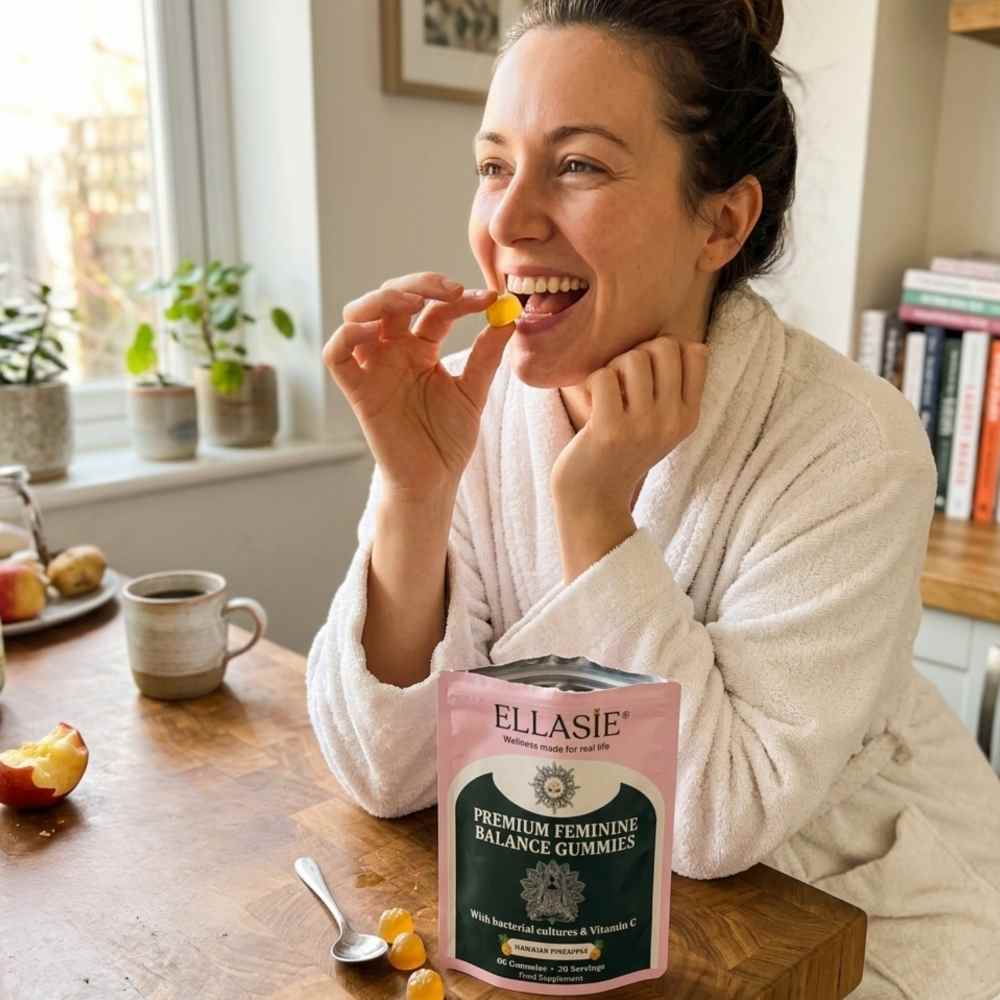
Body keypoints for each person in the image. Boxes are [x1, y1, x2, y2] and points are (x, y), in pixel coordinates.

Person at [307, 1, 1000, 995]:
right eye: (494, 165)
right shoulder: (474, 399)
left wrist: (596, 518)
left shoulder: (851, 444)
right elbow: (387, 771)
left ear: (720, 220)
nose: (505, 221)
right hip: (564, 884)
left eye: (577, 165)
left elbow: (719, 819)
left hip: (832, 917)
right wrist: (412, 495)